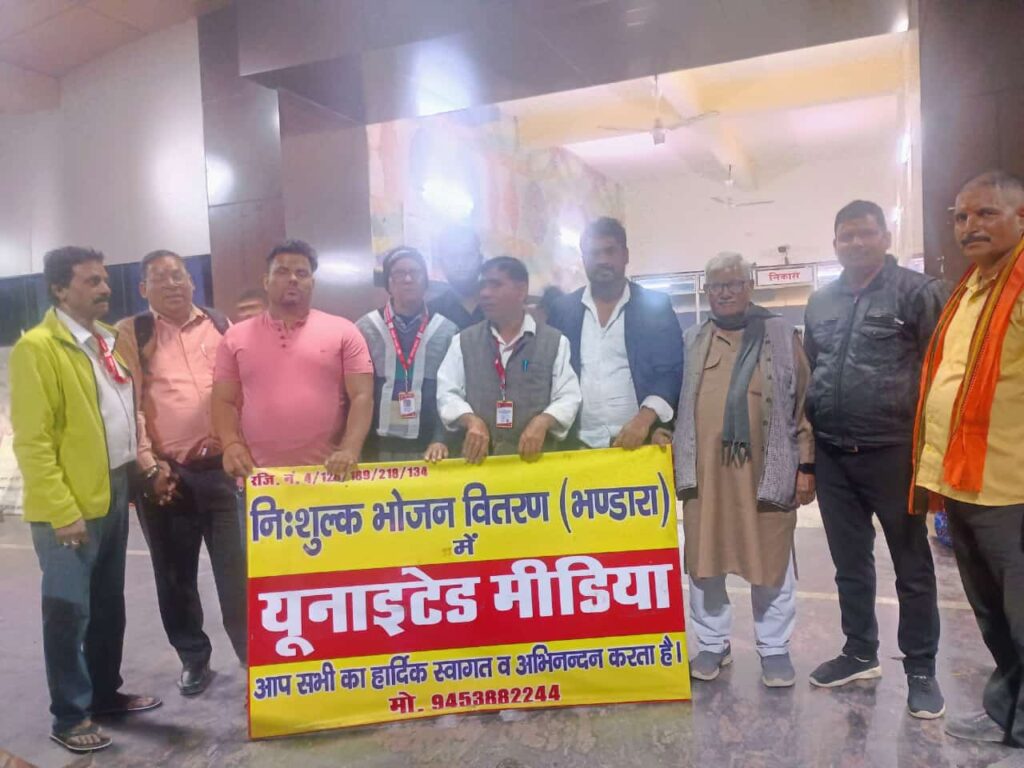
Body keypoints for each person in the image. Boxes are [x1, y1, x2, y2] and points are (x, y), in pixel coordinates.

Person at [9, 247, 160, 753]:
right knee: (68, 611)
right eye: (91, 281)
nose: (104, 288)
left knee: (107, 604)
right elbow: (33, 442)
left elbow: (121, 413)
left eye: (104, 279)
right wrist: (61, 510)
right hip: (70, 502)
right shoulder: (38, 349)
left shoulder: (107, 340)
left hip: (114, 488)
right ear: (59, 289)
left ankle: (104, 694)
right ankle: (70, 716)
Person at [803, 200, 949, 719]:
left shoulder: (918, 292)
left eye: (866, 233)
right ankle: (860, 652)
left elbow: (941, 374)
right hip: (834, 455)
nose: (856, 243)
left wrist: (933, 457)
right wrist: (809, 456)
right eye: (846, 236)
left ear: (886, 237)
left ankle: (922, 668)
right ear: (835, 243)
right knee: (849, 563)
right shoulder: (820, 301)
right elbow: (814, 371)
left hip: (895, 452)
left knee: (912, 565)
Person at [913, 171, 1024, 750]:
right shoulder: (972, 288)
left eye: (986, 213)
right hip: (963, 480)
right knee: (993, 616)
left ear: (1020, 218)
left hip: (1012, 487)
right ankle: (1008, 714)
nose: (969, 226)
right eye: (960, 216)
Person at [672, 252, 814, 688]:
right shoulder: (693, 339)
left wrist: (806, 465)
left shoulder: (781, 334)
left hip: (765, 472)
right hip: (707, 477)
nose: (726, 292)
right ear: (707, 290)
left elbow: (803, 405)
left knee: (770, 558)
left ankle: (774, 647)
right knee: (704, 560)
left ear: (750, 286)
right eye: (717, 285)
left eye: (734, 283)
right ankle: (712, 643)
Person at [114, 250, 246, 697]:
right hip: (166, 475)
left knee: (238, 570)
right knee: (174, 575)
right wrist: (149, 465)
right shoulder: (133, 332)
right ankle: (194, 657)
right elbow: (127, 404)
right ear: (143, 289)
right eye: (159, 278)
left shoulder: (220, 324)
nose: (171, 284)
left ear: (192, 281)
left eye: (178, 275)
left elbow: (238, 392)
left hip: (223, 471)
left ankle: (253, 657)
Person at [212, 239, 374, 479]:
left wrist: (349, 449)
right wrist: (231, 444)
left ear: (312, 283)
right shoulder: (234, 337)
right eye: (282, 272)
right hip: (258, 475)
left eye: (302, 273)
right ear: (266, 281)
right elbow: (222, 400)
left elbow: (362, 395)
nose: (293, 279)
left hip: (329, 472)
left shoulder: (344, 331)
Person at [548, 217, 683, 449]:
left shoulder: (655, 307)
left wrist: (643, 420)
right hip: (576, 447)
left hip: (639, 443)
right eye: (594, 253)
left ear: (625, 255)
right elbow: (550, 372)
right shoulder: (563, 311)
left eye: (610, 251)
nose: (602, 260)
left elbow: (671, 373)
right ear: (583, 259)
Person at [436, 256, 581, 462]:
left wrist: (544, 421)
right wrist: (470, 420)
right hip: (479, 463)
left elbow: (568, 396)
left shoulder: (554, 342)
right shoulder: (463, 341)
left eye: (495, 285)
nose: (485, 293)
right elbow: (447, 392)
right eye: (482, 286)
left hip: (533, 464)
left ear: (521, 291)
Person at [356, 246, 458, 462]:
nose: (408, 279)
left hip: (431, 449)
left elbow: (453, 390)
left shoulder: (447, 331)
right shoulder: (365, 328)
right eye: (399, 273)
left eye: (415, 272)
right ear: (388, 283)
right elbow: (354, 394)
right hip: (376, 448)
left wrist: (441, 438)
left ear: (426, 281)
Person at [427, 226, 485, 330]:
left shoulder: (500, 304)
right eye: (452, 257)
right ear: (441, 263)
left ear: (480, 259)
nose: (460, 263)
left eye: (468, 256)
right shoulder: (431, 313)